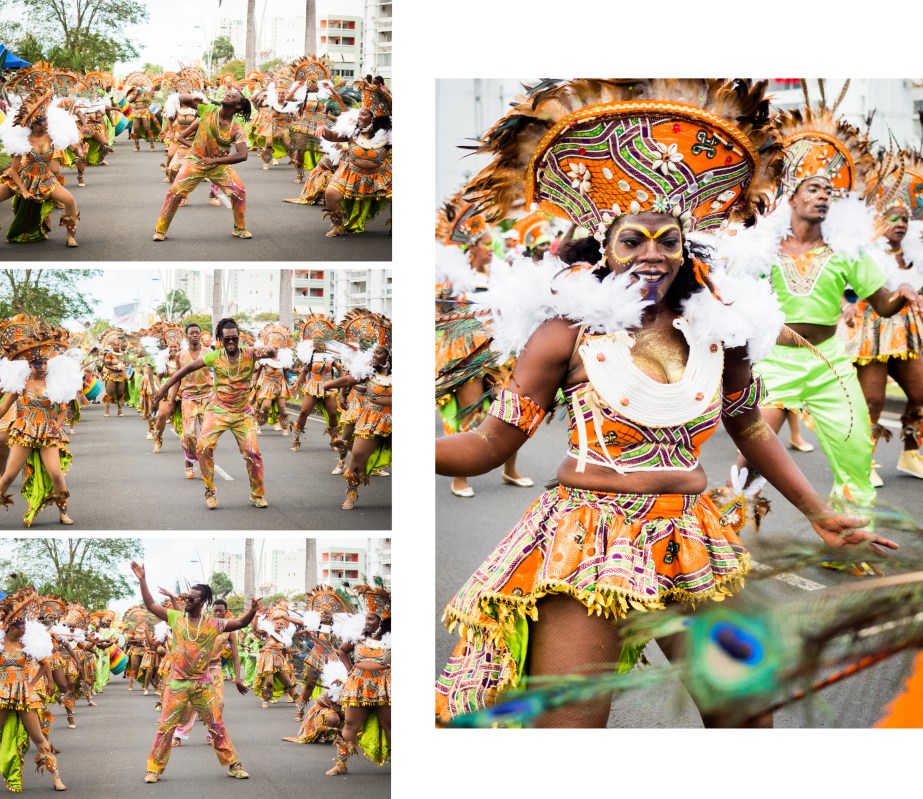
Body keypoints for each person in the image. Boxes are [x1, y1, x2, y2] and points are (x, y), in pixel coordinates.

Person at [435, 79, 898, 728]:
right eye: (633, 239)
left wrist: (818, 512)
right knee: (570, 726)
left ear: (687, 247)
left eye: (666, 238)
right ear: (604, 246)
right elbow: (487, 445)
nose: (651, 251)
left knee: (745, 713)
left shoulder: (720, 334)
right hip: (584, 537)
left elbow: (748, 427)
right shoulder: (562, 333)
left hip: (691, 533)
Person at [729, 99, 923, 508]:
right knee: (752, 457)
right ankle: (725, 535)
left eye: (829, 192)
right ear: (792, 197)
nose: (823, 197)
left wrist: (902, 295)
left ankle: (854, 542)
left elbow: (883, 305)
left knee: (854, 454)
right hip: (776, 363)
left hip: (829, 363)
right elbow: (734, 304)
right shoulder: (763, 249)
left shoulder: (846, 252)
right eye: (814, 189)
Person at [129, 561, 259, 784]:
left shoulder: (214, 624)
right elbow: (150, 604)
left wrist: (253, 611)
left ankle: (234, 765)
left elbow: (239, 623)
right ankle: (154, 769)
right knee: (165, 727)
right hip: (177, 684)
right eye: (185, 597)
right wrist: (142, 580)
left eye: (190, 598)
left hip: (203, 683)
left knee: (216, 725)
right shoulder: (176, 618)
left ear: (202, 602)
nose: (185, 600)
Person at [840, 151, 923, 484]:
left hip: (907, 330)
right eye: (892, 218)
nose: (900, 224)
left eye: (904, 219)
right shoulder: (864, 252)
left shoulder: (916, 253)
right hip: (872, 330)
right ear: (878, 222)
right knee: (872, 400)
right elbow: (848, 289)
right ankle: (863, 462)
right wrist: (846, 305)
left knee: (920, 393)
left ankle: (911, 452)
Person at [153, 318, 274, 509]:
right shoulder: (214, 357)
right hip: (217, 410)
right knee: (203, 447)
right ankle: (210, 491)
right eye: (227, 339)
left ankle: (257, 495)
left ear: (239, 337)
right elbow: (184, 370)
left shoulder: (250, 354)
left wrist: (267, 351)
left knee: (253, 453)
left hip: (243, 413)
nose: (231, 342)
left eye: (234, 338)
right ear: (220, 339)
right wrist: (164, 390)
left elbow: (272, 353)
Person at [0, 315, 82, 526]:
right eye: (38, 363)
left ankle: (63, 512)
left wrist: (56, 426)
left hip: (47, 432)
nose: (42, 366)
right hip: (25, 431)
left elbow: (63, 411)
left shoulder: (54, 381)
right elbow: (3, 408)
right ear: (29, 364)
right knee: (8, 476)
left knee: (56, 473)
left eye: (45, 362)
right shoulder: (20, 382)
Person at [152, 88, 253, 241]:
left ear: (238, 106)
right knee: (174, 192)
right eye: (228, 93)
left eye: (233, 95)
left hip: (218, 165)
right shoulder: (208, 109)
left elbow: (243, 154)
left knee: (239, 192)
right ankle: (160, 230)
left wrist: (215, 161)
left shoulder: (236, 127)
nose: (228, 94)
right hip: (194, 161)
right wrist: (194, 97)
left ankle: (240, 228)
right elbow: (182, 98)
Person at [0, 589, 65, 792]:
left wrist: (31, 682)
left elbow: (45, 664)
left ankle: (56, 779)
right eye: (20, 624)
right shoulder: (0, 644)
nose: (24, 628)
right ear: (10, 625)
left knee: (38, 737)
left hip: (23, 694)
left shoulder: (28, 644)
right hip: (2, 693)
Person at [0, 88, 81, 245]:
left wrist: (79, 151)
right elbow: (14, 171)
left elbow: (72, 145)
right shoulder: (23, 140)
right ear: (31, 123)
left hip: (45, 179)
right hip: (24, 177)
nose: (44, 124)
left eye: (45, 120)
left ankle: (70, 235)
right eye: (40, 121)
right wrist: (23, 190)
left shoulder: (52, 135)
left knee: (70, 200)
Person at [327, 587, 390, 776]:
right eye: (366, 618)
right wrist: (350, 670)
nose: (367, 622)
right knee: (349, 725)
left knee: (390, 726)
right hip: (358, 685)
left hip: (385, 686)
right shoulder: (358, 637)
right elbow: (342, 650)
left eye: (371, 618)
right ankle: (340, 764)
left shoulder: (393, 639)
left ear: (382, 620)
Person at [323, 345, 391, 510]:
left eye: (379, 352)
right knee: (358, 455)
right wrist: (327, 385)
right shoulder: (369, 372)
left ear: (390, 356)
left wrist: (387, 402)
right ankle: (351, 493)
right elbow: (347, 380)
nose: (374, 355)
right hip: (372, 418)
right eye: (374, 351)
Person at [317, 107, 391, 237]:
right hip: (351, 171)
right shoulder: (353, 131)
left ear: (374, 117)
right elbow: (332, 136)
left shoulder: (388, 135)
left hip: (379, 174)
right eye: (359, 114)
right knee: (331, 194)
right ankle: (338, 226)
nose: (359, 117)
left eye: (363, 114)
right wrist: (324, 129)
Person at [176, 322, 213, 480]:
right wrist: (171, 400)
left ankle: (205, 466)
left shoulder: (209, 352)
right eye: (191, 333)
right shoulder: (180, 355)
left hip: (207, 396)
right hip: (188, 397)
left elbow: (218, 373)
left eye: (197, 332)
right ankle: (189, 461)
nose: (195, 335)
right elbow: (177, 378)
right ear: (187, 335)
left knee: (207, 434)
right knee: (189, 433)